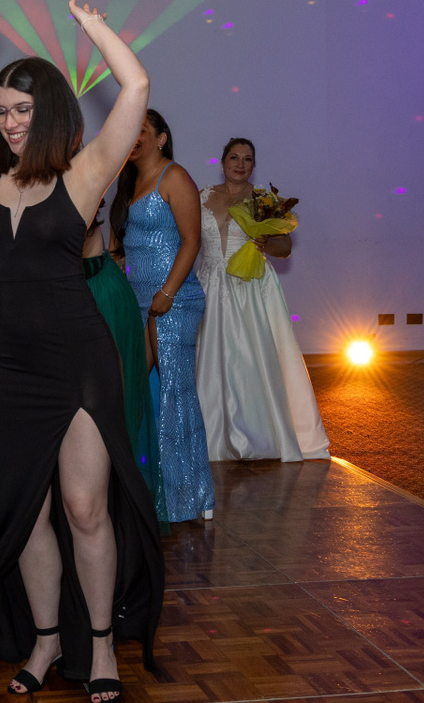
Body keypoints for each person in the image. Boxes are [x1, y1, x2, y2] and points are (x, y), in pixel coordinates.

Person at [0, 0, 164, 703]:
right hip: (15, 366)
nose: (8, 121)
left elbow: (135, 87)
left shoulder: (84, 175)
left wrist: (94, 28)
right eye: (0, 110)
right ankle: (46, 638)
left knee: (85, 508)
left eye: (22, 108)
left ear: (50, 109)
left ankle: (101, 644)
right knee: (25, 511)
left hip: (79, 360)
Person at [195, 138, 330, 463]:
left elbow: (285, 250)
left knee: (250, 359)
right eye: (234, 157)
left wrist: (265, 241)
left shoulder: (264, 200)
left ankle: (258, 434)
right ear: (223, 161)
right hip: (209, 283)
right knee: (210, 359)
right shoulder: (202, 196)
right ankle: (211, 435)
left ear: (254, 165)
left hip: (251, 286)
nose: (240, 164)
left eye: (247, 159)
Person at [112, 109, 215, 522]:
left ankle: (189, 498)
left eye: (142, 131)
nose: (134, 138)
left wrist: (167, 294)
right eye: (130, 132)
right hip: (139, 301)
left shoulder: (175, 177)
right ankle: (151, 491)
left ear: (161, 138)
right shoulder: (127, 181)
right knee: (136, 391)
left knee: (174, 393)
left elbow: (192, 241)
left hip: (175, 301)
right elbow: (124, 247)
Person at [80, 205, 166, 529]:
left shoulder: (78, 193)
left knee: (111, 402)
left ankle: (115, 508)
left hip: (101, 294)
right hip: (84, 291)